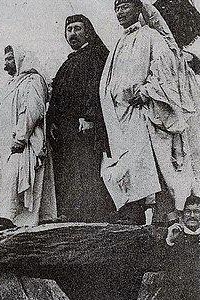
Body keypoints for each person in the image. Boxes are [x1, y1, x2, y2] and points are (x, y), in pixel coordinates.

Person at [100, 0, 199, 225]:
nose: (119, 11)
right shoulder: (119, 43)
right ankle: (133, 214)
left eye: (124, 6)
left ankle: (168, 218)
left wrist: (146, 91)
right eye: (116, 7)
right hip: (122, 117)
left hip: (145, 114)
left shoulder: (152, 37)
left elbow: (166, 69)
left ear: (138, 9)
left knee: (155, 166)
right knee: (129, 164)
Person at [46, 15, 114, 223]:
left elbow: (96, 88)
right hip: (67, 128)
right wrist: (52, 122)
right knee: (68, 169)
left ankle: (90, 214)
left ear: (88, 31)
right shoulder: (69, 61)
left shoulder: (96, 55)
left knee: (85, 168)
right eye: (69, 30)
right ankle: (70, 212)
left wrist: (89, 116)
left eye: (77, 28)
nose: (72, 34)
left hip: (84, 125)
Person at [0, 45, 56, 230]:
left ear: (21, 58)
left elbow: (32, 110)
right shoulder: (12, 84)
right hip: (7, 147)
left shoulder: (33, 80)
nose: (6, 65)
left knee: (19, 178)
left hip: (24, 143)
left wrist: (20, 138)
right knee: (8, 180)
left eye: (10, 59)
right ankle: (8, 217)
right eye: (5, 60)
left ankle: (11, 218)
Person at [161, 195, 200, 300]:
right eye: (188, 211)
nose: (192, 215)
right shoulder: (172, 236)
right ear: (182, 215)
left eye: (196, 212)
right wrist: (169, 242)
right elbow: (159, 266)